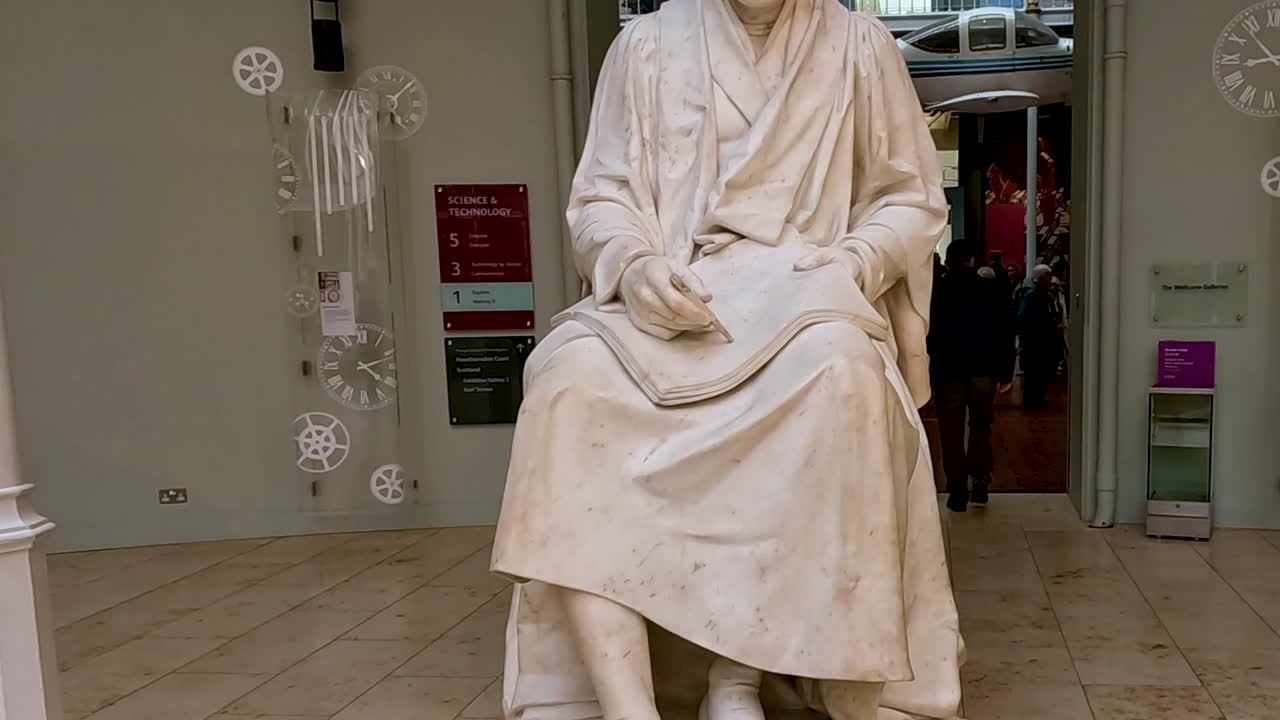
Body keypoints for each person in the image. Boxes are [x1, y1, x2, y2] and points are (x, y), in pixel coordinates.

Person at [491, 2, 964, 720]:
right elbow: (602, 197)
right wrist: (634, 262)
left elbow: (910, 198)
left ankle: (738, 676)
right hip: (674, 297)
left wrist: (852, 260)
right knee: (566, 383)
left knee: (842, 373)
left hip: (803, 294)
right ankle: (626, 703)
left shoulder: (861, 47)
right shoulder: (645, 46)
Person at [928, 241, 1015, 512]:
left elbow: (927, 333)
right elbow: (1004, 331)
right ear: (972, 259)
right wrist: (1005, 371)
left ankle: (956, 491)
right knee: (980, 426)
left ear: (949, 261)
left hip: (948, 370)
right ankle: (979, 482)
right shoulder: (989, 290)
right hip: (983, 370)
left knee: (950, 430)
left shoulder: (936, 291)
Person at [1017, 263, 1063, 408]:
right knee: (1033, 373)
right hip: (1033, 342)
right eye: (1047, 276)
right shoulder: (1031, 296)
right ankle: (1032, 400)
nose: (1050, 279)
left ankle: (1037, 398)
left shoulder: (1045, 297)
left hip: (1043, 342)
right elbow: (1022, 318)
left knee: (1040, 373)